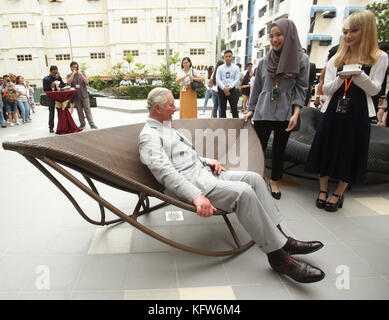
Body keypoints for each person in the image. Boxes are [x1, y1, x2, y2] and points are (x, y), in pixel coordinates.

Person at [138, 87, 325, 284]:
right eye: (171, 105)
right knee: (243, 193)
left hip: (204, 175)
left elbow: (182, 156)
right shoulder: (149, 136)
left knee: (254, 179)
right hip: (194, 186)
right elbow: (165, 172)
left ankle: (282, 238)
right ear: (157, 108)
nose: (175, 108)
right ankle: (277, 257)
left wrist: (206, 160)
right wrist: (195, 196)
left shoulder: (164, 126)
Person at [305, 10, 388, 212]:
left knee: (350, 151)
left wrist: (359, 76)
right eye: (345, 31)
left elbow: (375, 89)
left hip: (358, 112)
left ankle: (338, 193)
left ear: (366, 31)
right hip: (334, 109)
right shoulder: (337, 57)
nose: (348, 36)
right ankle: (323, 189)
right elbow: (326, 88)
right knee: (325, 147)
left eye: (354, 31)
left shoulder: (379, 57)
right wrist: (341, 78)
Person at [245, 18, 309, 200]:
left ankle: (274, 181)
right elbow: (257, 87)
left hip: (286, 111)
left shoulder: (301, 59)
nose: (274, 39)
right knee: (258, 148)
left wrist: (296, 113)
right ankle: (256, 178)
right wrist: (251, 109)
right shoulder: (264, 61)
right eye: (271, 36)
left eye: (279, 35)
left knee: (280, 149)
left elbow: (301, 88)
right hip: (263, 110)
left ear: (288, 35)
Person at [66, 61, 97, 129]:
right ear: (71, 68)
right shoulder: (69, 75)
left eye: (76, 67)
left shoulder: (82, 74)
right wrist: (73, 74)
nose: (75, 68)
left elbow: (87, 82)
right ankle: (82, 123)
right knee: (79, 111)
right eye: (74, 67)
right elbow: (68, 83)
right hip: (76, 96)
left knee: (87, 110)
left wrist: (81, 75)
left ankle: (91, 123)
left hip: (84, 95)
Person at [216, 50, 241, 118]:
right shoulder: (220, 68)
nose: (228, 58)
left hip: (232, 90)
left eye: (229, 56)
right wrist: (224, 88)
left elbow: (236, 79)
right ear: (224, 57)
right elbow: (218, 79)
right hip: (222, 89)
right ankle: (223, 126)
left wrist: (229, 88)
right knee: (222, 109)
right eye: (226, 56)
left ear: (232, 57)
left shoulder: (236, 68)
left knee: (234, 109)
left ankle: (236, 126)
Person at [43, 66, 66, 133]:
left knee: (59, 111)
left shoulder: (57, 77)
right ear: (50, 71)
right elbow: (45, 89)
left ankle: (60, 126)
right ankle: (51, 127)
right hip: (50, 97)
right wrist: (51, 86)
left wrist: (60, 77)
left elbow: (63, 85)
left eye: (56, 73)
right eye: (53, 73)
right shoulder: (46, 79)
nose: (54, 74)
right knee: (51, 112)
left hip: (58, 96)